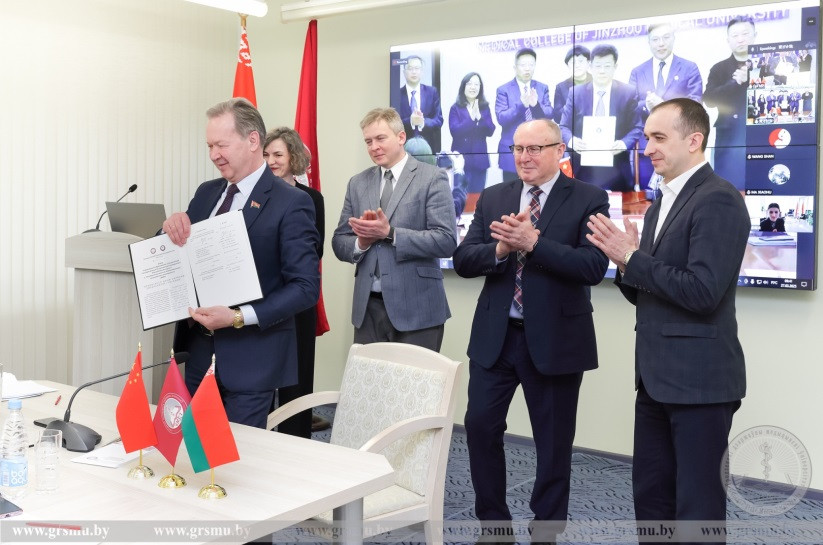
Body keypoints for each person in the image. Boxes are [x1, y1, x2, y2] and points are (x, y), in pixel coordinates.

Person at [586, 98, 749, 545]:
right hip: (655, 380)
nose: (647, 148)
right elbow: (649, 293)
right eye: (646, 138)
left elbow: (702, 292)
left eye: (659, 138)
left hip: (700, 382)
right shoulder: (662, 203)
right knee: (652, 501)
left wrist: (632, 257)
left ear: (694, 140)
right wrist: (625, 264)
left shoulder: (718, 199)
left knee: (697, 510)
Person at [453, 119, 609, 543]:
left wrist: (533, 243)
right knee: (480, 428)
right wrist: (501, 248)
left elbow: (593, 267)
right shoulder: (494, 196)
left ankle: (546, 531)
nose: (524, 157)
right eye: (518, 148)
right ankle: (494, 528)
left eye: (535, 148)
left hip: (556, 340)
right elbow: (464, 260)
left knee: (553, 444)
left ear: (560, 150)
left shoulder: (589, 198)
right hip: (496, 337)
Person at [164, 98, 320, 429]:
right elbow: (181, 252)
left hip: (253, 360)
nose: (213, 155)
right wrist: (169, 229)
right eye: (209, 146)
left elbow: (305, 287)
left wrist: (237, 316)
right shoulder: (207, 193)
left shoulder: (292, 202)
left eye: (221, 145)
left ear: (252, 140)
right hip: (199, 355)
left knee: (238, 457)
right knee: (193, 448)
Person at [331, 107, 456, 351]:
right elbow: (339, 242)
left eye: (380, 138)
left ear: (401, 137)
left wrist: (390, 233)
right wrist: (361, 243)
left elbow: (446, 240)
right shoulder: (357, 183)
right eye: (368, 141)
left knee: (414, 378)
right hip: (367, 310)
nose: (374, 147)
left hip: (418, 311)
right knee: (368, 379)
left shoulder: (432, 178)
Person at [262, 126, 326, 438]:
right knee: (260, 379)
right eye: (266, 154)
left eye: (278, 154)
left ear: (294, 158)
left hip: (297, 301)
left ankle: (296, 444)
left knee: (297, 381)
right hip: (263, 300)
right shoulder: (255, 196)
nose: (271, 161)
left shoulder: (311, 198)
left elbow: (316, 249)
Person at [560, 44, 643, 192]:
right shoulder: (576, 93)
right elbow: (563, 126)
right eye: (598, 66)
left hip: (617, 165)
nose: (602, 71)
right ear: (590, 66)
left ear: (615, 67)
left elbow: (637, 127)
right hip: (583, 166)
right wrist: (572, 141)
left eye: (607, 66)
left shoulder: (627, 92)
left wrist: (623, 144)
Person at [629, 23, 703, 189]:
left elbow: (696, 104)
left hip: (679, 146)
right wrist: (647, 105)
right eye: (655, 39)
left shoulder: (689, 67)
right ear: (649, 42)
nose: (661, 43)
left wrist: (664, 106)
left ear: (673, 38)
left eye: (666, 38)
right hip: (647, 146)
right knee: (648, 196)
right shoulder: (637, 71)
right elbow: (630, 107)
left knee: (681, 195)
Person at [703, 16, 756, 189]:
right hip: (728, 135)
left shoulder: (768, 64)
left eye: (745, 34)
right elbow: (709, 100)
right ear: (728, 40)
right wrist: (735, 82)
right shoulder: (719, 68)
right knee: (726, 187)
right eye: (735, 35)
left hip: (760, 134)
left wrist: (752, 78)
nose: (740, 39)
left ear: (755, 35)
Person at [496, 48, 553, 183]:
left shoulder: (542, 87)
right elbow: (502, 118)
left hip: (537, 150)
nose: (527, 68)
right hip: (512, 152)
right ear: (515, 67)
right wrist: (521, 104)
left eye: (531, 65)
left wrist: (536, 105)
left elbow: (550, 114)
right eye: (523, 65)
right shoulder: (503, 90)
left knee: (536, 190)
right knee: (511, 192)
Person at [449, 71, 496, 213]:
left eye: (477, 84)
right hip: (461, 162)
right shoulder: (456, 108)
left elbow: (490, 130)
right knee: (461, 197)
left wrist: (479, 118)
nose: (473, 87)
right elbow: (455, 131)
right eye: (470, 84)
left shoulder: (484, 107)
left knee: (478, 199)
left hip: (480, 162)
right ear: (463, 86)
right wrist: (471, 119)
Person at [399, 55, 444, 153]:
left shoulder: (432, 92)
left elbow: (439, 120)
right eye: (410, 68)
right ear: (404, 72)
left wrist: (422, 122)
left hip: (428, 150)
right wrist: (410, 121)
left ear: (422, 72)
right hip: (403, 151)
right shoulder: (397, 94)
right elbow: (393, 124)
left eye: (417, 68)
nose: (414, 72)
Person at [552, 45, 592, 124]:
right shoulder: (561, 87)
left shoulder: (598, 82)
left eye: (581, 61)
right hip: (572, 129)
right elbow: (557, 118)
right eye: (573, 62)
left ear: (588, 63)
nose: (577, 65)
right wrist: (570, 106)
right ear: (568, 65)